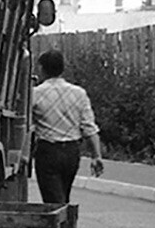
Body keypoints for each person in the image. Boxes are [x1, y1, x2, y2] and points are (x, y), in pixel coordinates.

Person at [30, 49, 104, 204]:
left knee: (53, 201)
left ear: (42, 69)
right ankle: (66, 226)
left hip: (48, 151)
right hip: (71, 152)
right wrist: (96, 156)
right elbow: (89, 128)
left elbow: (26, 126)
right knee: (64, 194)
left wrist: (24, 154)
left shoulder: (35, 94)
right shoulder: (79, 93)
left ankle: (63, 226)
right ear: (62, 68)